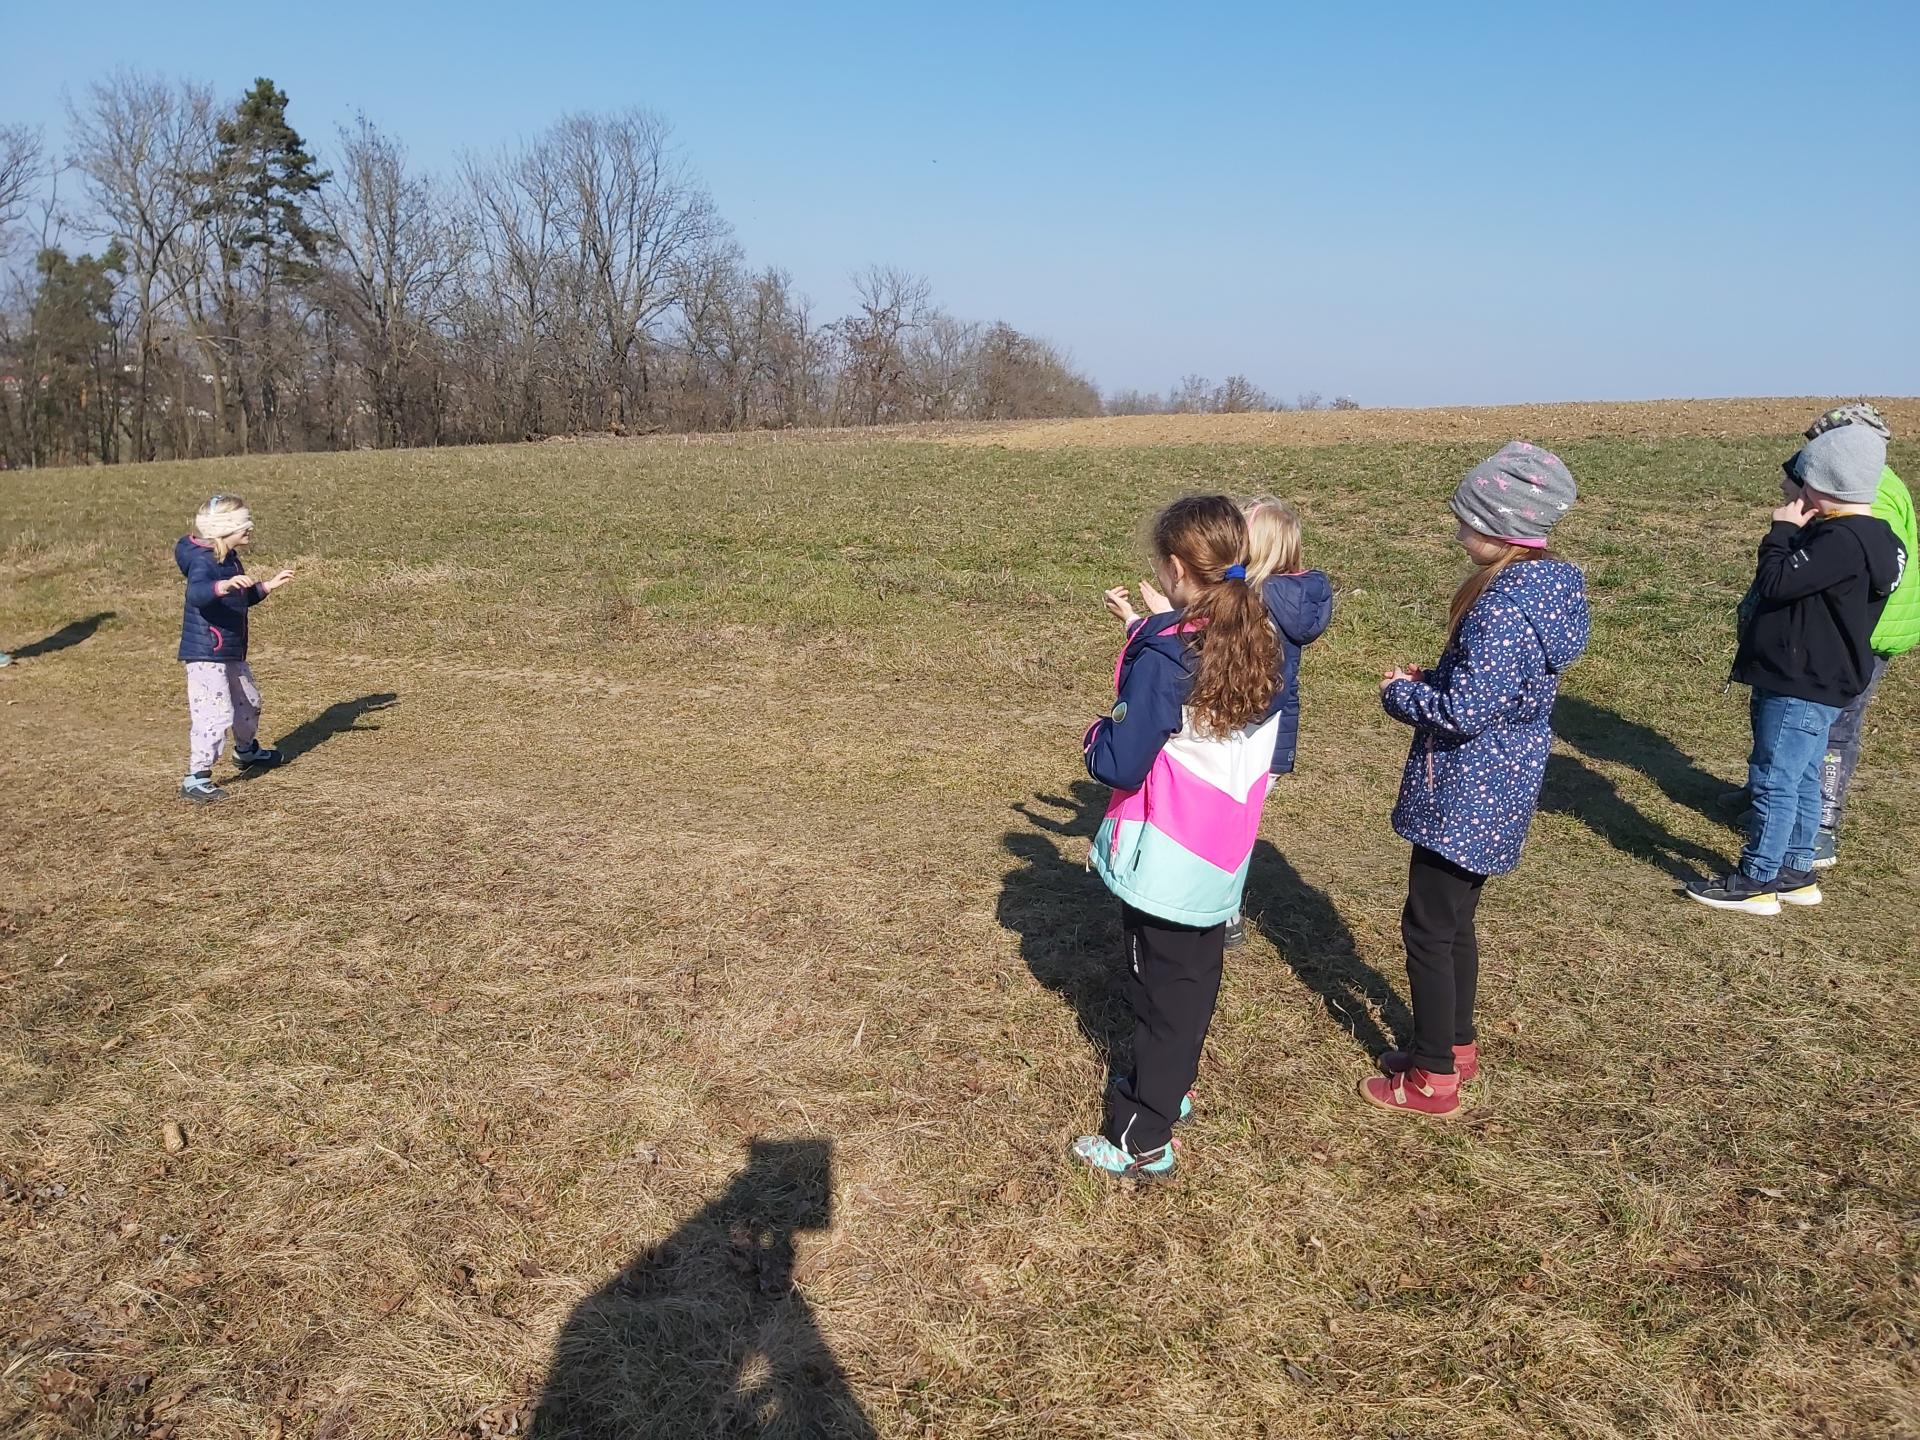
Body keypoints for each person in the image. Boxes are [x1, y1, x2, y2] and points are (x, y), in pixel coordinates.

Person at [1361, 443, 1589, 1119]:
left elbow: (1466, 710)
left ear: (1498, 525)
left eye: (1466, 518)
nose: (1458, 529)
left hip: (1466, 792)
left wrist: (1402, 696)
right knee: (1455, 921)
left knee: (1428, 929)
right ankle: (1454, 1044)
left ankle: (1432, 1078)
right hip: (1501, 786)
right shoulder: (1542, 593)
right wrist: (1431, 678)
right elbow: (1494, 687)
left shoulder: (1500, 608)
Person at [1078, 495, 1280, 1177]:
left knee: (1158, 995)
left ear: (1173, 568)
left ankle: (1142, 1136)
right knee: (1192, 984)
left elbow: (1120, 760)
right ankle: (1173, 1087)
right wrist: (1153, 627)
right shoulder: (1257, 635)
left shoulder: (1167, 657)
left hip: (1168, 854)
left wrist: (1095, 735)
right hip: (1223, 852)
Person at [1689, 424, 1905, 913]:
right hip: (1828, 677)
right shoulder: (1880, 538)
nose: (1795, 488)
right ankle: (1796, 870)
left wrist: (1782, 532)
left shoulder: (1840, 541)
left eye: (1805, 479)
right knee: (1804, 774)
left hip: (1798, 678)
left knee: (1774, 778)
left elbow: (1777, 582)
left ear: (1827, 483)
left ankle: (1757, 878)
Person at [1223, 497, 1334, 948]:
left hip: (1247, 727)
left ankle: (1221, 909)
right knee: (1240, 819)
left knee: (1224, 821)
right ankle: (1224, 908)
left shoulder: (1254, 597)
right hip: (1277, 734)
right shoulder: (1299, 596)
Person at [176, 494, 295, 802]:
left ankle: (246, 751)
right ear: (224, 528)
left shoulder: (228, 558)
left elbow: (239, 596)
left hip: (229, 650)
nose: (250, 527)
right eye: (244, 523)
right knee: (215, 714)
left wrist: (266, 586)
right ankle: (196, 777)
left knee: (249, 702)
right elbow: (197, 594)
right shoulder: (204, 561)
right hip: (206, 653)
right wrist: (221, 586)